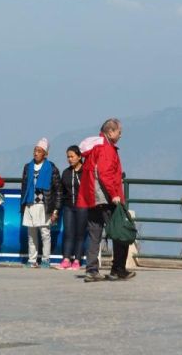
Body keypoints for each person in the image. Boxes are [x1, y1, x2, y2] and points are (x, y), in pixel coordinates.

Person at [77, 119, 135, 282]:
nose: (121, 135)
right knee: (119, 232)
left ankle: (92, 270)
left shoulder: (96, 147)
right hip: (105, 199)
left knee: (94, 234)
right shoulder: (106, 149)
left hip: (92, 198)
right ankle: (118, 269)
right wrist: (114, 194)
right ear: (110, 132)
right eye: (119, 131)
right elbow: (105, 174)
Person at [20, 138, 61, 268]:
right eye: (35, 150)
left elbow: (58, 190)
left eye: (39, 151)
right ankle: (32, 260)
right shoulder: (28, 167)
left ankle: (45, 260)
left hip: (44, 205)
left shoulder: (52, 168)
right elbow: (24, 186)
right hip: (30, 204)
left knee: (45, 233)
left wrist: (55, 210)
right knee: (31, 234)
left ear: (45, 154)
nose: (36, 153)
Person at [58, 145, 87, 270]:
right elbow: (61, 191)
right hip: (68, 207)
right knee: (68, 233)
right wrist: (57, 208)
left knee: (80, 234)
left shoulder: (86, 171)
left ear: (79, 156)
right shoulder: (66, 172)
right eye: (68, 157)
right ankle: (66, 259)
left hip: (83, 207)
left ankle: (77, 260)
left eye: (72, 156)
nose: (69, 159)